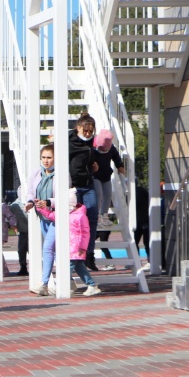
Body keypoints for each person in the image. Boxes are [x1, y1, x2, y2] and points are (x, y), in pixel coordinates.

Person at [37, 188, 100, 296]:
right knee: (80, 268)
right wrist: (40, 208)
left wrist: (83, 248)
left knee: (67, 268)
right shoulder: (63, 214)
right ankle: (92, 285)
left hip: (76, 248)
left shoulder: (81, 216)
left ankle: (62, 287)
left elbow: (85, 233)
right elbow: (50, 215)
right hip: (69, 248)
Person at [68, 113, 100, 271]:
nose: (87, 134)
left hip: (88, 184)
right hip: (74, 186)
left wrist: (93, 162)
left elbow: (90, 156)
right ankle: (75, 254)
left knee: (92, 217)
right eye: (85, 131)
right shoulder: (69, 141)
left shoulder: (90, 143)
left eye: (90, 131)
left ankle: (89, 254)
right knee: (76, 221)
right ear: (78, 128)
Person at [26, 144, 59, 296]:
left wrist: (48, 202)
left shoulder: (60, 174)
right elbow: (31, 192)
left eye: (49, 157)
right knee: (54, 250)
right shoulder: (36, 173)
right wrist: (30, 202)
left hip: (57, 217)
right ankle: (69, 280)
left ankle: (44, 283)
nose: (46, 161)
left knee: (47, 248)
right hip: (43, 216)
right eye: (43, 157)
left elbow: (67, 197)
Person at [92, 129, 125, 227]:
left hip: (106, 175)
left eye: (105, 149)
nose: (103, 150)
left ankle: (104, 216)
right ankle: (96, 216)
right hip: (95, 175)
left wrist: (121, 168)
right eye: (101, 148)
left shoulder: (112, 149)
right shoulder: (92, 148)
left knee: (108, 195)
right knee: (98, 194)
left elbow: (117, 159)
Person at [8, 187, 29, 276]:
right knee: (21, 250)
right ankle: (23, 266)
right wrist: (13, 226)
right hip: (23, 231)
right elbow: (10, 216)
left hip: (35, 232)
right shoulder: (15, 205)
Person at [134, 183, 150, 269]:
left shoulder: (133, 192)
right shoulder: (142, 191)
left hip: (139, 220)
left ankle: (137, 260)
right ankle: (149, 260)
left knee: (135, 242)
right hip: (144, 219)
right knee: (146, 242)